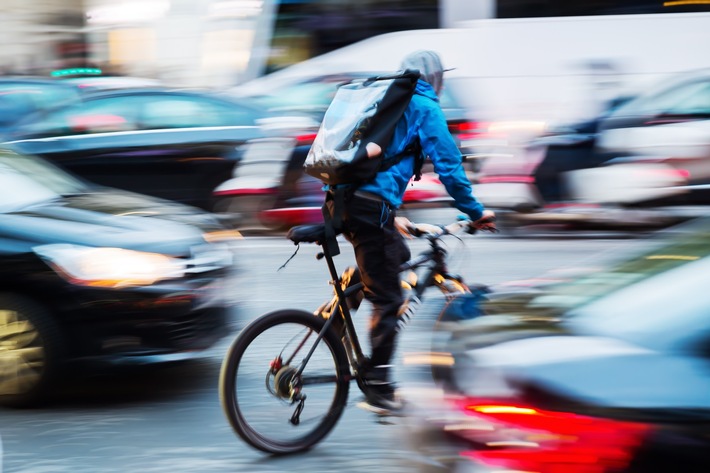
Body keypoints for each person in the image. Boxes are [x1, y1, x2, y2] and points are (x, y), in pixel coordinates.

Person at [324, 50, 495, 413]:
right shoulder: (426, 108)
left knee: (397, 257)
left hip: (343, 201)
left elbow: (378, 164)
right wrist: (476, 213)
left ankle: (337, 313)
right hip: (369, 209)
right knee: (388, 298)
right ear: (435, 78)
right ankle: (378, 382)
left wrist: (393, 213)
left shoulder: (387, 100)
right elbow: (449, 167)